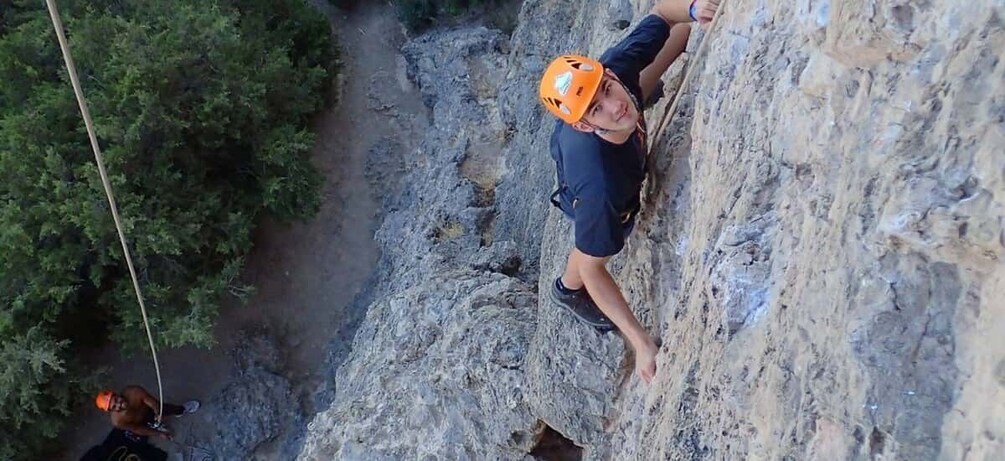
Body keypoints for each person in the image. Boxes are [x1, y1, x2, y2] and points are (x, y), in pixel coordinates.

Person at [539, 0, 720, 384]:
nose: (613, 104)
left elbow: (661, 14)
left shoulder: (613, 72)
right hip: (588, 179)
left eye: (606, 89)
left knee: (685, 31)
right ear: (586, 126)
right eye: (597, 108)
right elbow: (593, 266)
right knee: (595, 244)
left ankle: (570, 288)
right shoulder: (601, 184)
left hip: (602, 135)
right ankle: (567, 291)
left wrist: (693, 8)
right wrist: (641, 342)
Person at [95, 386, 200, 441]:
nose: (119, 404)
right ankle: (159, 427)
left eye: (116, 400)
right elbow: (137, 429)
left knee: (167, 408)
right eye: (114, 406)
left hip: (148, 409)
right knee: (149, 430)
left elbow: (151, 401)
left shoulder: (134, 391)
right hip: (140, 422)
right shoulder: (118, 421)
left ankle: (181, 410)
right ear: (111, 411)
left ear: (117, 394)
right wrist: (159, 434)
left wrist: (157, 410)